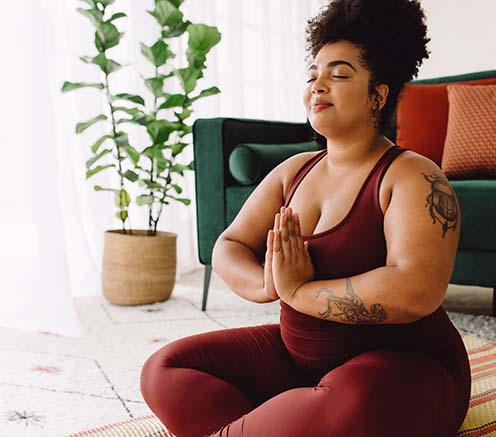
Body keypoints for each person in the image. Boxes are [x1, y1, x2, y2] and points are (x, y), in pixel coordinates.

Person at [140, 0, 470, 435]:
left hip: (402, 370)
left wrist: (298, 290)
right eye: (313, 75)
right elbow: (230, 244)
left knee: (350, 404)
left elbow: (415, 291)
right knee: (165, 369)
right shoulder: (293, 171)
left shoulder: (413, 176)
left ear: (378, 94)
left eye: (338, 74)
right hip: (299, 363)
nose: (318, 86)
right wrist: (265, 284)